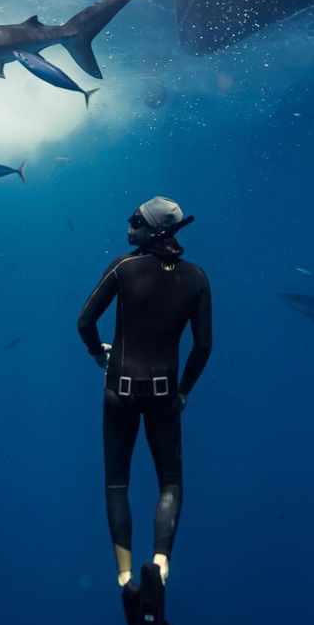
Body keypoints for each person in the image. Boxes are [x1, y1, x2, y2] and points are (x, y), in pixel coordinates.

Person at [77, 196, 212, 589]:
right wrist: (184, 391)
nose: (128, 224)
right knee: (170, 482)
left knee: (117, 483)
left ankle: (124, 575)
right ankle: (161, 562)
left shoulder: (123, 267)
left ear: (155, 229)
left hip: (119, 389)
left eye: (136, 219)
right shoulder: (197, 278)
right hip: (164, 395)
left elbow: (84, 322)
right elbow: (203, 347)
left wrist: (97, 353)